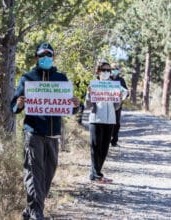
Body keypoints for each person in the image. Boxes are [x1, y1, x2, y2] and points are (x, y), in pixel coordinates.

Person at [11, 42, 79, 220]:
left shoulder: (61, 79)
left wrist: (75, 105)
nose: (45, 58)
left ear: (53, 57)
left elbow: (69, 108)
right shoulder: (28, 78)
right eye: (42, 55)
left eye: (49, 55)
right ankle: (36, 214)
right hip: (33, 133)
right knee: (34, 174)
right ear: (37, 58)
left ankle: (30, 210)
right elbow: (14, 105)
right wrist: (18, 104)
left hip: (53, 134)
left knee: (48, 175)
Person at [85, 61, 121, 184]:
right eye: (103, 70)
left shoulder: (114, 86)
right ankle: (97, 175)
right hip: (95, 120)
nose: (106, 72)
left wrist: (119, 97)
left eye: (108, 70)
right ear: (98, 71)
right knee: (96, 147)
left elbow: (116, 107)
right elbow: (87, 105)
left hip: (110, 120)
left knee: (104, 149)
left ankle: (94, 174)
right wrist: (89, 94)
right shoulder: (93, 85)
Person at [110, 63, 129, 147]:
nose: (115, 70)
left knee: (116, 123)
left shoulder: (121, 80)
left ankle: (114, 141)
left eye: (116, 69)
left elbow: (126, 92)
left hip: (118, 105)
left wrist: (125, 93)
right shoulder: (107, 79)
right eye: (113, 69)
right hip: (107, 104)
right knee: (107, 123)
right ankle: (107, 139)